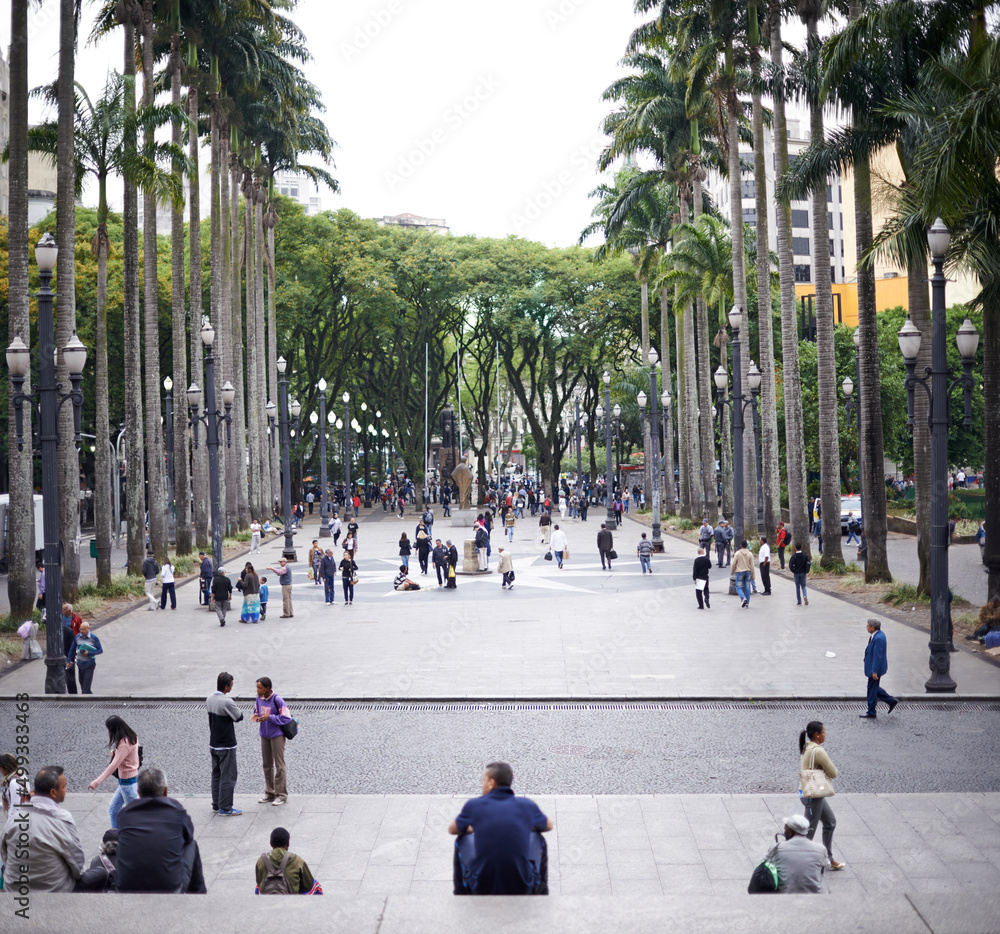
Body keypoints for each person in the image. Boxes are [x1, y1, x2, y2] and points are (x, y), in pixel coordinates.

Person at [449, 761, 552, 896]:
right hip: (522, 888)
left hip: (480, 887)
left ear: (491, 783)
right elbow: (548, 825)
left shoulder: (474, 805)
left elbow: (453, 829)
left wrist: (475, 828)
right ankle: (541, 894)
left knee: (462, 838)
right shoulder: (527, 805)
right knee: (538, 838)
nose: (482, 784)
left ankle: (461, 895)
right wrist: (523, 826)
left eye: (483, 780)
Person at [116, 768, 207, 893]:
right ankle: (198, 895)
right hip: (168, 888)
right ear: (165, 791)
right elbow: (188, 836)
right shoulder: (176, 811)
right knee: (192, 845)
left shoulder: (124, 814)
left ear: (138, 792)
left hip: (126, 887)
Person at [1, 766, 85, 892]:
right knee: (100, 872)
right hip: (53, 891)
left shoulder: (14, 820)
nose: (66, 790)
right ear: (53, 792)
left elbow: (5, 855)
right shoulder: (62, 820)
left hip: (14, 889)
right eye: (64, 787)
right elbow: (77, 865)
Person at [798, 722, 845, 870]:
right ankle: (798, 862)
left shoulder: (807, 746)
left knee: (830, 822)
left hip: (811, 793)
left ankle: (829, 858)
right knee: (809, 831)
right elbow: (834, 773)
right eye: (824, 732)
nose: (825, 734)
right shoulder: (818, 751)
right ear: (817, 734)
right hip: (812, 795)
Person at [88, 715, 141, 829]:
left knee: (134, 816)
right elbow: (129, 756)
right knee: (113, 810)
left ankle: (135, 839)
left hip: (127, 783)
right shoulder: (132, 737)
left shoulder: (124, 744)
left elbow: (113, 766)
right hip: (126, 782)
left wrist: (96, 782)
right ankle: (115, 836)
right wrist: (117, 753)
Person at [207, 671, 244, 816]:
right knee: (228, 776)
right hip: (227, 744)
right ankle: (226, 807)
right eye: (231, 685)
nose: (231, 688)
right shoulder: (227, 702)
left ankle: (216, 804)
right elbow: (239, 716)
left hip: (213, 743)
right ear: (227, 686)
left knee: (216, 775)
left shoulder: (209, 699)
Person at [252, 677, 292, 806]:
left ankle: (281, 795)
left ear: (268, 688)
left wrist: (270, 717)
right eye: (257, 687)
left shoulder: (277, 699)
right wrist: (257, 716)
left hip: (277, 736)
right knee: (267, 764)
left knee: (279, 765)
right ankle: (270, 793)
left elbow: (286, 717)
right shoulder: (259, 698)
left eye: (260, 688)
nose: (258, 690)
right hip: (264, 734)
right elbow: (256, 710)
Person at [766, 815, 830, 894]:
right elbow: (826, 867)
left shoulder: (776, 848)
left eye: (785, 828)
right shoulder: (821, 849)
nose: (784, 831)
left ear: (790, 831)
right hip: (817, 896)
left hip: (786, 895)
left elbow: (765, 867)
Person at [255, 827, 323, 895]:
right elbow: (308, 886)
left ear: (271, 843)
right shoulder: (297, 861)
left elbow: (258, 882)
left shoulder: (261, 860)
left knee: (257, 887)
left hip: (267, 898)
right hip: (290, 900)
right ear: (288, 843)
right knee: (316, 885)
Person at [861, 618, 898, 719]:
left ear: (873, 628)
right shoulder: (878, 635)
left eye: (868, 626)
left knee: (871, 689)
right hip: (874, 667)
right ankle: (891, 701)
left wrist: (874, 671)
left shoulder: (877, 638)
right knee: (873, 687)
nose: (866, 627)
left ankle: (871, 711)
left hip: (875, 669)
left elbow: (878, 656)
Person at [66, 621, 103, 694]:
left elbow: (100, 650)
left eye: (83, 629)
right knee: (83, 686)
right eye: (80, 629)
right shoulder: (77, 637)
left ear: (88, 629)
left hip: (89, 664)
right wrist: (68, 660)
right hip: (80, 664)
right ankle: (91, 699)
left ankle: (86, 703)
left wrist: (89, 653)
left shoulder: (94, 638)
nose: (81, 631)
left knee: (85, 689)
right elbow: (72, 650)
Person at [61, 603, 83, 694]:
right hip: (64, 643)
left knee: (70, 672)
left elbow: (80, 630)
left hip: (71, 643)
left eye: (64, 609)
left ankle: (73, 693)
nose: (62, 611)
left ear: (69, 611)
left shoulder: (76, 619)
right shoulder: (60, 617)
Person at [0, 752, 27, 818]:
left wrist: (10, 824)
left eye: (0, 768)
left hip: (16, 821)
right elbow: (10, 800)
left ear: (5, 767)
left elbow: (15, 806)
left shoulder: (14, 782)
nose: (0, 771)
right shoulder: (21, 776)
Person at [732, 540, 756, 608]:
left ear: (741, 545)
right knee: (747, 587)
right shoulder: (750, 554)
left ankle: (743, 598)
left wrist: (732, 571)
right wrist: (753, 576)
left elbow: (733, 563)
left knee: (738, 587)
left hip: (740, 572)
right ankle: (747, 603)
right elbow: (752, 565)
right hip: (748, 572)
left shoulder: (738, 553)